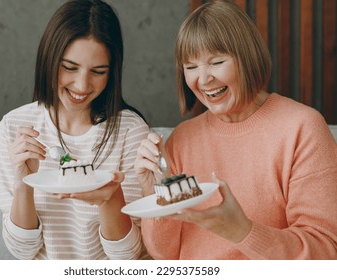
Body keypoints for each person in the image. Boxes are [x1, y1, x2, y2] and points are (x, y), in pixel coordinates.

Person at [135, 0, 337, 259]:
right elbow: (167, 255)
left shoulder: (302, 128)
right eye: (191, 67)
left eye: (216, 62)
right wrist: (156, 195)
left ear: (247, 57)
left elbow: (326, 252)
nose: (204, 79)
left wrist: (242, 231)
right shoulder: (181, 140)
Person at [0, 0, 150, 260]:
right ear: (48, 58)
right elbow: (22, 251)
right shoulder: (15, 125)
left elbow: (128, 257)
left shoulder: (130, 130)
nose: (82, 86)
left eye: (98, 72)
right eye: (69, 67)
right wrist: (24, 184)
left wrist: (108, 199)